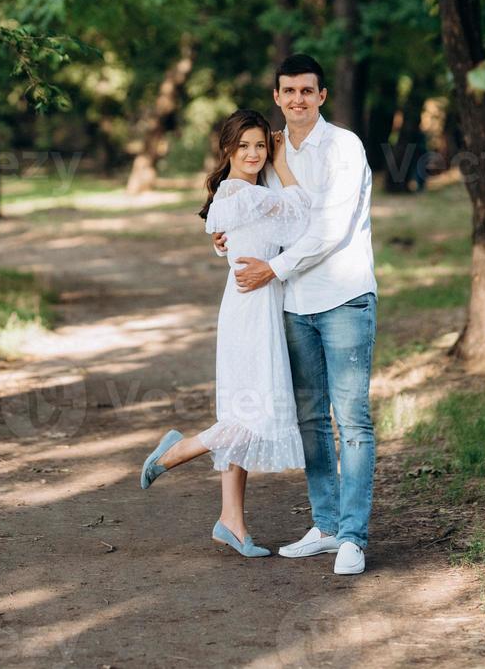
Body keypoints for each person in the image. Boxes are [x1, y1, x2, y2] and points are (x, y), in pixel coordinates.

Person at [215, 54, 377, 575]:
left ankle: (353, 535)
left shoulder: (344, 147)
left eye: (307, 91)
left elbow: (329, 229)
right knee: (312, 421)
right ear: (277, 96)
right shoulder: (270, 148)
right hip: (292, 305)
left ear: (322, 96)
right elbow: (254, 219)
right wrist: (225, 244)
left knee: (350, 419)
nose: (298, 100)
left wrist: (274, 269)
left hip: (344, 297)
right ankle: (326, 526)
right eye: (288, 91)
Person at [140, 109, 310, 558]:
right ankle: (175, 453)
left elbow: (235, 242)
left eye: (260, 146)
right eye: (246, 146)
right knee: (250, 414)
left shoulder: (243, 194)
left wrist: (224, 242)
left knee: (246, 410)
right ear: (228, 150)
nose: (254, 154)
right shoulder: (245, 192)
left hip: (254, 306)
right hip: (251, 312)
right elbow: (303, 216)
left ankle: (231, 521)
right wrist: (282, 163)